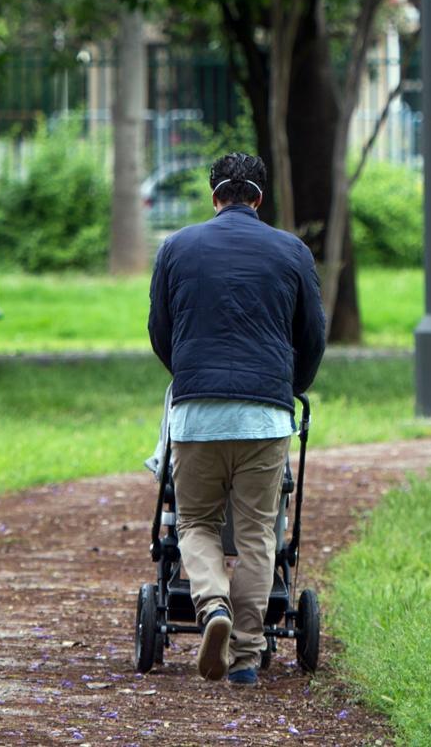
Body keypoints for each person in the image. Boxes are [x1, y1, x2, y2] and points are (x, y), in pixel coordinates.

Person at [147, 152, 326, 685]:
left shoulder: (176, 247)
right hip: (266, 417)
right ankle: (247, 656)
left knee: (196, 522)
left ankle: (213, 607)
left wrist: (190, 376)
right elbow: (312, 338)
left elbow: (161, 332)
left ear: (214, 195)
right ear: (259, 199)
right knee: (257, 535)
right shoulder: (291, 251)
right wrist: (286, 389)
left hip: (198, 413)